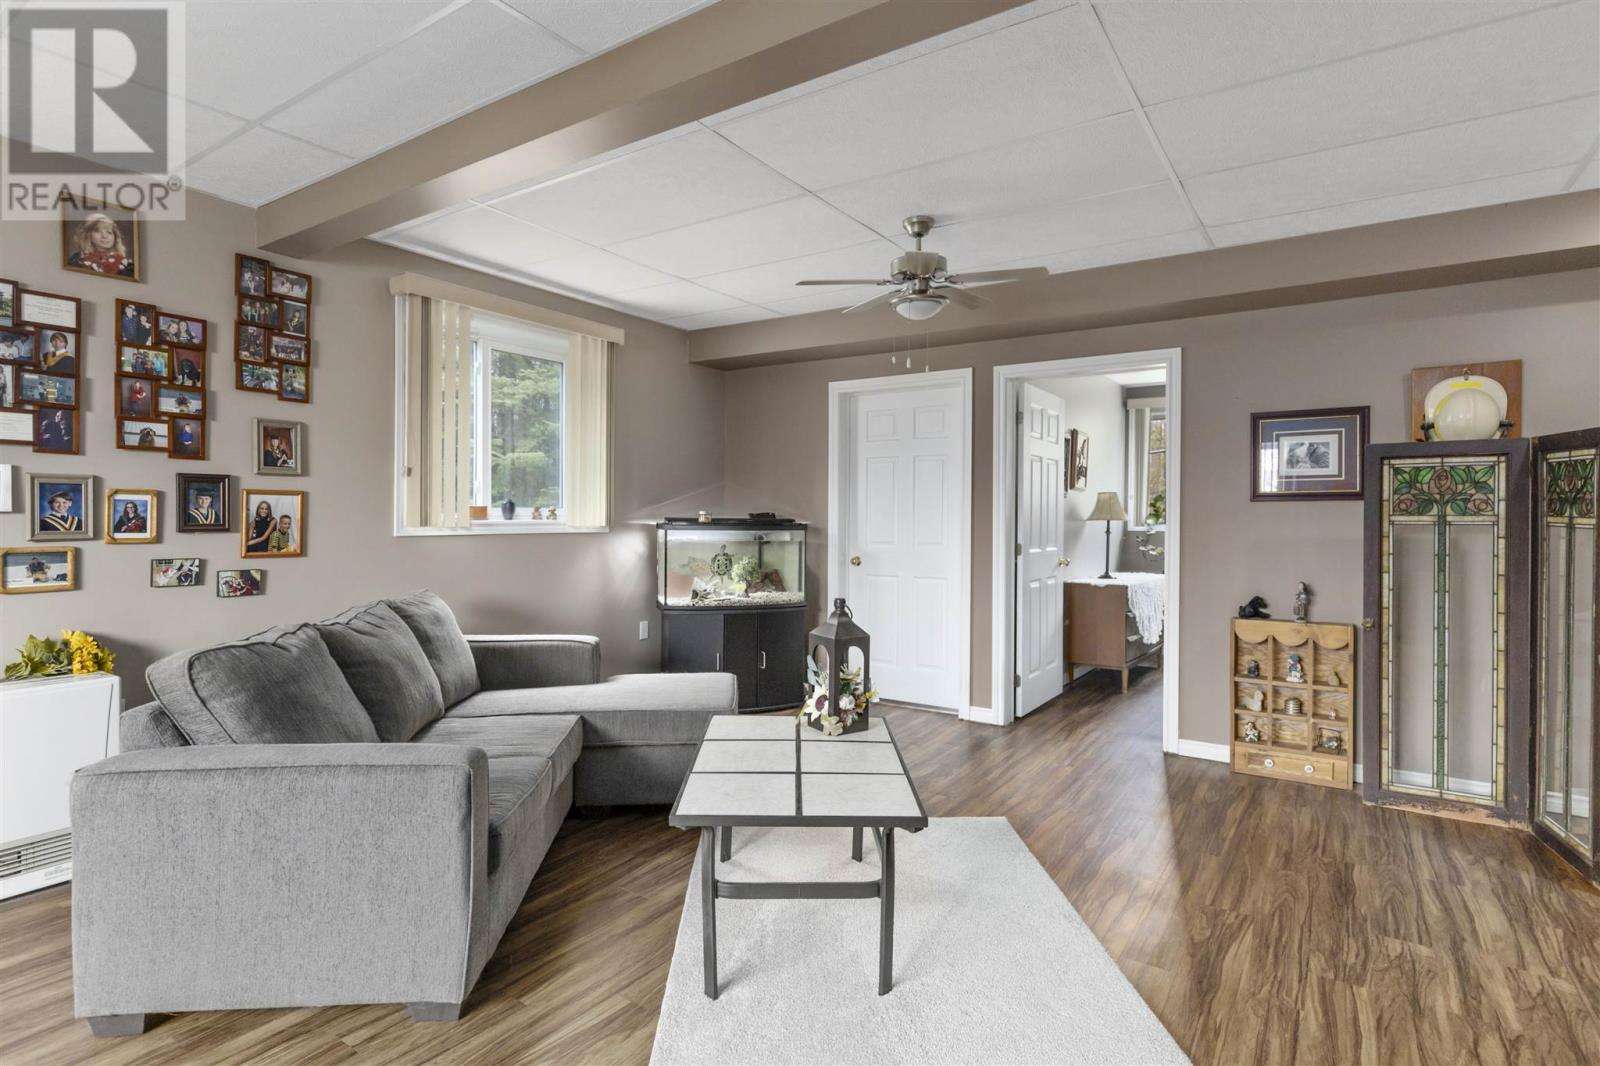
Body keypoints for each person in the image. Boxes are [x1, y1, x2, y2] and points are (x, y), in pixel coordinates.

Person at [67, 213, 134, 277]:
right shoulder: (76, 260)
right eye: (97, 231)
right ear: (87, 234)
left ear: (115, 236)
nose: (105, 236)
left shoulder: (126, 265)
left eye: (109, 232)